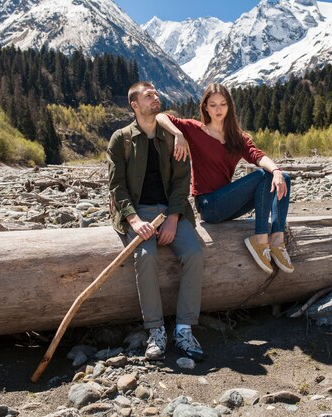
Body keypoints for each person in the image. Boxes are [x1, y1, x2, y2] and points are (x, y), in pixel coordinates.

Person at [107, 81, 205, 362]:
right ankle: (156, 330)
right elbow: (117, 186)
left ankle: (184, 329)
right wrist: (135, 221)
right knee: (146, 256)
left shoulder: (172, 137)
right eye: (148, 96)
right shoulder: (121, 139)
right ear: (134, 105)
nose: (156, 98)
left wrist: (173, 217)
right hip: (137, 213)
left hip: (170, 209)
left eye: (156, 94)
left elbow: (181, 181)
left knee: (194, 254)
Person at [156, 83, 293, 275]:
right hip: (209, 204)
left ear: (229, 106)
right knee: (263, 175)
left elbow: (258, 156)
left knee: (283, 177)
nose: (218, 109)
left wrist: (277, 171)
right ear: (205, 107)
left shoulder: (238, 138)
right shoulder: (195, 129)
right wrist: (178, 133)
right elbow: (160, 116)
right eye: (213, 105)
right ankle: (261, 240)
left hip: (228, 205)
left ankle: (277, 239)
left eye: (223, 104)